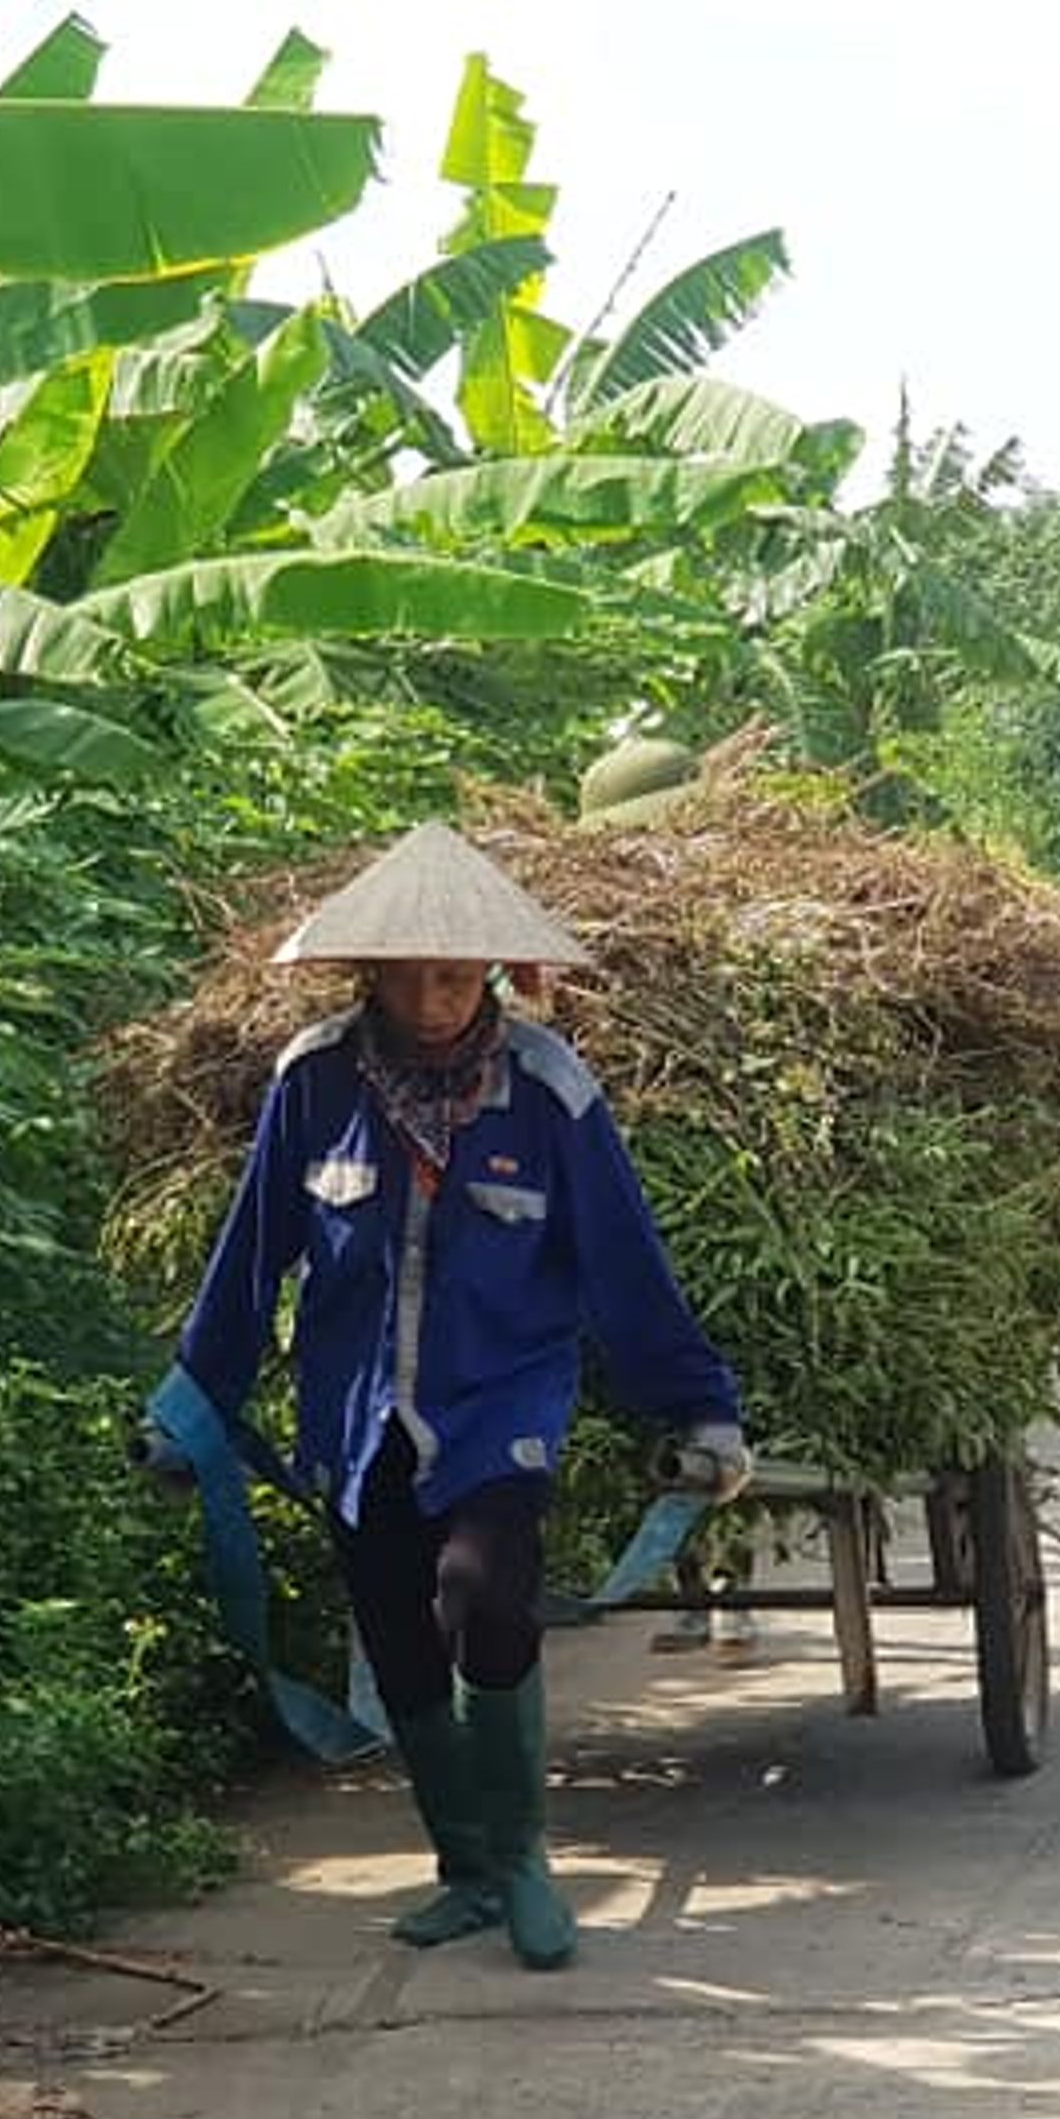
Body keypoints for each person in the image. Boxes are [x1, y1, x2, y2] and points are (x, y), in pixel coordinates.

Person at [140, 822, 750, 1972]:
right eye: (416, 973)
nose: (437, 998)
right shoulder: (313, 1086)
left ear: (496, 976)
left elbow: (625, 1268)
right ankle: (463, 1869)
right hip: (357, 1416)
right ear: (368, 972)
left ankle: (523, 1861)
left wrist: (699, 1410)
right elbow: (253, 1256)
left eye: (460, 974)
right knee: (398, 1644)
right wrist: (191, 1406)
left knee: (481, 1597)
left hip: (499, 1406)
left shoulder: (549, 1095)